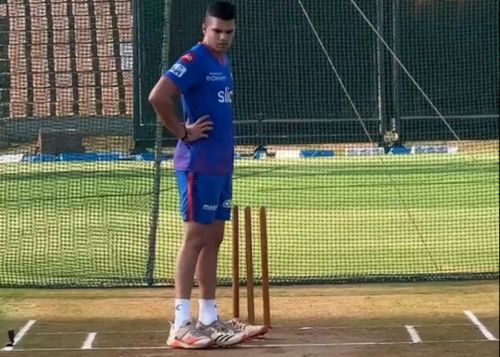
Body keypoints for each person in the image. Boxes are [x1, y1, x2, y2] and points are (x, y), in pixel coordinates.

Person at [149, 1, 265, 349]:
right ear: (205, 28)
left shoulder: (222, 60)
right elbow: (159, 96)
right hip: (197, 164)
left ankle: (209, 318)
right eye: (217, 31)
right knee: (195, 238)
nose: (223, 37)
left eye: (229, 32)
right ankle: (181, 323)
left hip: (220, 166)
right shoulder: (195, 59)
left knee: (214, 238)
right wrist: (182, 131)